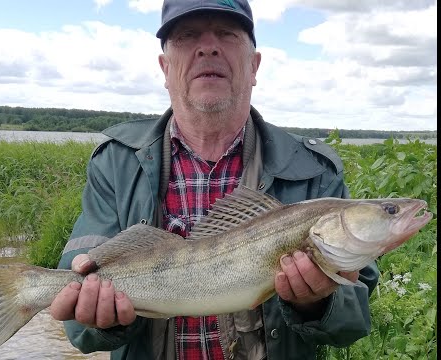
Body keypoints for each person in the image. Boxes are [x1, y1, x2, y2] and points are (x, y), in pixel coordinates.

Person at [50, 1, 379, 359]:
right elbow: (79, 320)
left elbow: (355, 317)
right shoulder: (115, 164)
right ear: (165, 68)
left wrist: (318, 304)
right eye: (188, 35)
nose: (208, 47)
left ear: (254, 66)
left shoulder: (314, 170)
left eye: (227, 33)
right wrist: (102, 319)